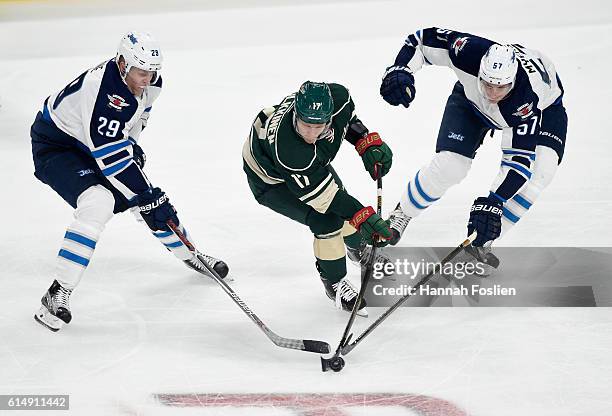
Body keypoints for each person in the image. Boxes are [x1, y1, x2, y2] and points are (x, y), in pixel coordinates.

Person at [31, 31, 228, 332]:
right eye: (140, 71)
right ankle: (57, 292)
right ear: (122, 63)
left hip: (90, 143)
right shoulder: (104, 90)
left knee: (144, 200)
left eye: (151, 72)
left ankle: (190, 255)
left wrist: (132, 147)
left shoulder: (151, 83)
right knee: (99, 202)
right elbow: (108, 156)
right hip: (57, 146)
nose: (146, 79)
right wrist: (147, 193)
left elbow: (135, 120)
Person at [380, 28, 567, 256]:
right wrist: (401, 69)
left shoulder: (527, 100)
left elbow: (518, 161)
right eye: (488, 83)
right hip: (470, 100)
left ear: (512, 81)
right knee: (450, 166)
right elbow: (419, 41)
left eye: (501, 87)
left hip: (545, 109)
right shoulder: (468, 51)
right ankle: (404, 212)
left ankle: (480, 243)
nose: (492, 93)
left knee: (539, 174)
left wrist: (495, 202)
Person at [242, 81, 393, 316]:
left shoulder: (339, 99)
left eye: (319, 126)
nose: (312, 134)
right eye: (305, 125)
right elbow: (328, 200)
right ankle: (335, 283)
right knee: (327, 219)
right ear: (295, 116)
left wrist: (364, 140)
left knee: (343, 203)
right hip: (270, 181)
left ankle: (357, 248)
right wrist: (363, 216)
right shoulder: (291, 152)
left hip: (306, 166)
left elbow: (347, 121)